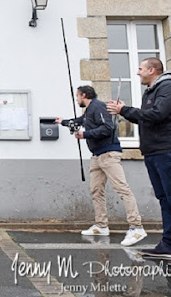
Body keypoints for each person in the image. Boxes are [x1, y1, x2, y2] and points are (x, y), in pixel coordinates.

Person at [107, 58, 171, 268]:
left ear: (152, 70)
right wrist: (125, 111)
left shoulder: (169, 88)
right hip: (154, 152)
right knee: (164, 199)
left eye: (140, 69)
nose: (138, 73)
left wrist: (125, 111)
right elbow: (146, 117)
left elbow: (157, 115)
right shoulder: (152, 90)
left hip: (168, 151)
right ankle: (169, 244)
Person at [57, 85, 147, 246]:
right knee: (96, 190)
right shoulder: (89, 110)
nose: (77, 99)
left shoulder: (98, 106)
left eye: (77, 96)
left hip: (109, 154)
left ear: (84, 95)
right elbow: (80, 121)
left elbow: (108, 128)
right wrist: (62, 122)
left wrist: (85, 134)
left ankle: (136, 227)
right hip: (97, 155)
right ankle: (101, 225)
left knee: (122, 188)